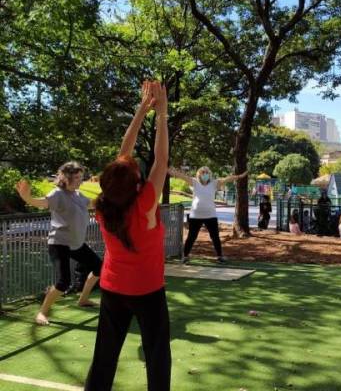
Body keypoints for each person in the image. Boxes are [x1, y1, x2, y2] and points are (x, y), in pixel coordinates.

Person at [85, 80, 171, 390]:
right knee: (157, 356)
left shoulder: (104, 205)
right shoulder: (145, 202)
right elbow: (161, 162)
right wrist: (160, 114)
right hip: (147, 292)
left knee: (105, 357)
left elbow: (124, 153)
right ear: (137, 183)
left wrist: (142, 110)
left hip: (112, 290)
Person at [15, 162, 102, 325]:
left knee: (99, 267)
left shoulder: (78, 195)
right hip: (59, 244)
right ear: (66, 178)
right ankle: (41, 312)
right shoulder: (58, 194)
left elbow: (92, 204)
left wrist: (110, 192)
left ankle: (83, 300)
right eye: (76, 178)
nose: (80, 181)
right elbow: (41, 203)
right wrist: (27, 197)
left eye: (81, 178)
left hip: (76, 244)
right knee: (63, 283)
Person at [169, 166, 248, 264]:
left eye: (206, 172)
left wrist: (240, 176)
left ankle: (220, 256)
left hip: (211, 215)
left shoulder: (214, 183)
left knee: (215, 237)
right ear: (199, 174)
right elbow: (182, 176)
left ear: (209, 174)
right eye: (203, 172)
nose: (205, 174)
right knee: (191, 237)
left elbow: (228, 179)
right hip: (195, 216)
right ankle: (185, 257)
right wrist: (171, 171)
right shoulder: (194, 182)